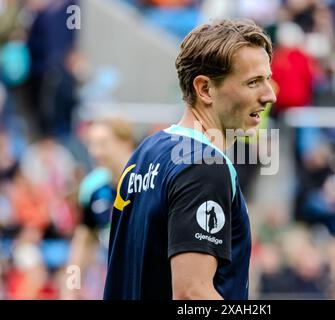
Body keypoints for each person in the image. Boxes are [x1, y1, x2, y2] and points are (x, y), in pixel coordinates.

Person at [103, 18, 276, 300]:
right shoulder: (204, 167)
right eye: (253, 82)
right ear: (205, 89)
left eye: (267, 79)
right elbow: (191, 294)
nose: (269, 96)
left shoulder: (146, 152)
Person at [63, 117, 135, 299]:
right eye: (91, 144)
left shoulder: (149, 183)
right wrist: (71, 287)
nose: (95, 152)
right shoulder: (93, 188)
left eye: (103, 143)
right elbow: (83, 242)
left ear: (126, 143)